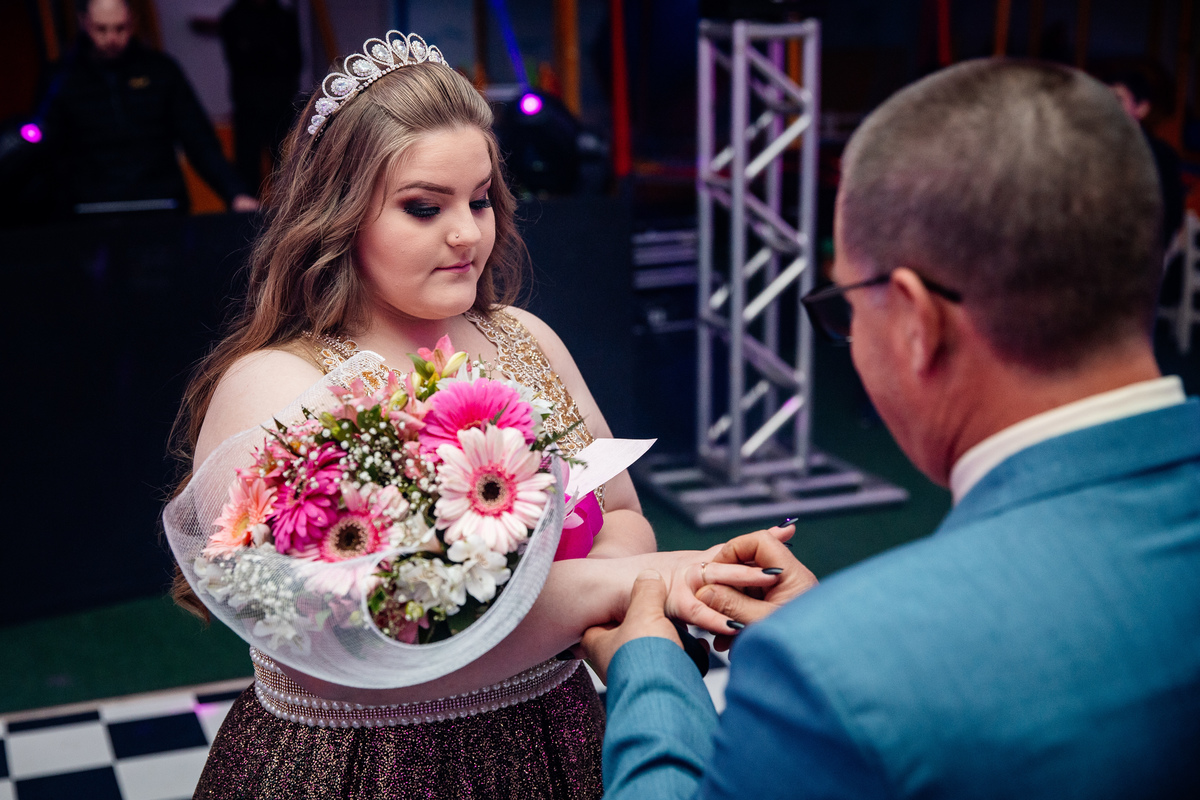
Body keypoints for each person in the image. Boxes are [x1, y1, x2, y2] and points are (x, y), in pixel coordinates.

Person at [170, 30, 782, 799]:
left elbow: (622, 514)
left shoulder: (524, 339)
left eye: (481, 199)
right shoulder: (274, 385)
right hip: (362, 768)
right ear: (339, 214)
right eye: (425, 207)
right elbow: (351, 646)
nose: (467, 233)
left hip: (557, 736)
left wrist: (617, 573)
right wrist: (633, 584)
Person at [583, 59, 1200, 799]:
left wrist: (649, 672)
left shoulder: (837, 674)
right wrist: (835, 625)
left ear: (914, 321)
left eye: (846, 304)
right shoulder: (850, 652)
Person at [41, 0, 258, 215]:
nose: (112, 38)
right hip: (89, 210)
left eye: (120, 28)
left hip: (162, 204)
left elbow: (199, 139)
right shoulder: (61, 79)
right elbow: (47, 153)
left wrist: (236, 193)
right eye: (101, 29)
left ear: (132, 21)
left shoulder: (161, 70)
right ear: (84, 22)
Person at [218, 0, 302, 196]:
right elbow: (237, 60)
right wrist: (271, 56)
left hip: (281, 105)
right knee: (247, 171)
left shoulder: (284, 17)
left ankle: (289, 209)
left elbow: (296, 61)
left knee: (286, 167)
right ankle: (247, 212)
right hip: (248, 106)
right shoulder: (234, 17)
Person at [1108, 69, 1186, 248]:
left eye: (1118, 99)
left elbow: (1170, 215)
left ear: (1141, 109)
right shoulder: (1093, 148)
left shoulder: (1160, 155)